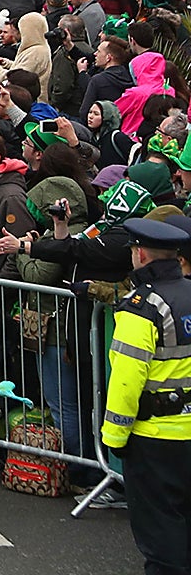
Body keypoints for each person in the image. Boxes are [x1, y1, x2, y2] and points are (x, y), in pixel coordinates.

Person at [100, 215, 191, 575]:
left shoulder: (142, 307)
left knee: (162, 538)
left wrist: (114, 438)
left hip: (156, 438)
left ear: (140, 254)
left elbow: (126, 380)